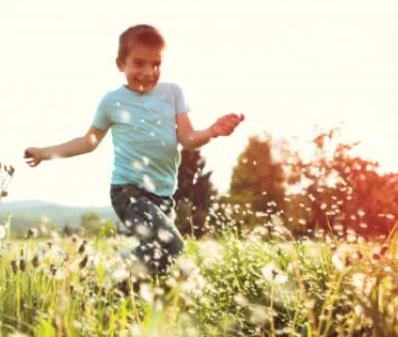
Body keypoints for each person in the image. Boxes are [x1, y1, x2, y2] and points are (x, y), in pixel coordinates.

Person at [24, 24, 244, 277]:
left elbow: (187, 138)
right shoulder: (112, 102)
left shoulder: (173, 93)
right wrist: (44, 153)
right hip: (128, 191)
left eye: (156, 64)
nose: (149, 72)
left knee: (159, 259)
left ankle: (118, 295)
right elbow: (89, 141)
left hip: (163, 196)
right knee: (173, 245)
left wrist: (212, 131)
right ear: (121, 64)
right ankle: (109, 271)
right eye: (139, 63)